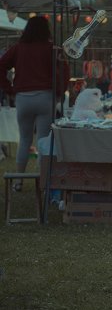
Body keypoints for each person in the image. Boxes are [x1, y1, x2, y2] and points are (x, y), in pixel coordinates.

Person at [0, 16, 69, 190]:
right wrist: (60, 92)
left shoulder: (18, 48)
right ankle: (43, 180)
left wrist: (9, 89)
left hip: (23, 98)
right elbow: (64, 70)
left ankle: (18, 181)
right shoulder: (53, 49)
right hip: (46, 97)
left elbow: (1, 66)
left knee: (24, 140)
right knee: (43, 140)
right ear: (47, 30)